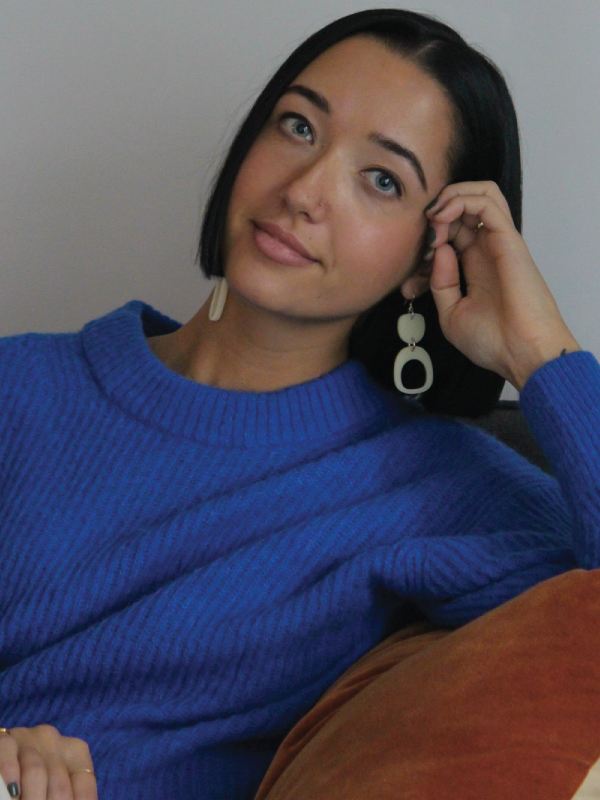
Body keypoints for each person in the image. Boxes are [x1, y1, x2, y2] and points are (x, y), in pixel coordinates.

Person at [0, 7, 598, 800]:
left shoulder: (435, 488)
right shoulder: (21, 385)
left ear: (431, 255)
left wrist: (540, 351)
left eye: (381, 179)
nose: (305, 190)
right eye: (297, 126)